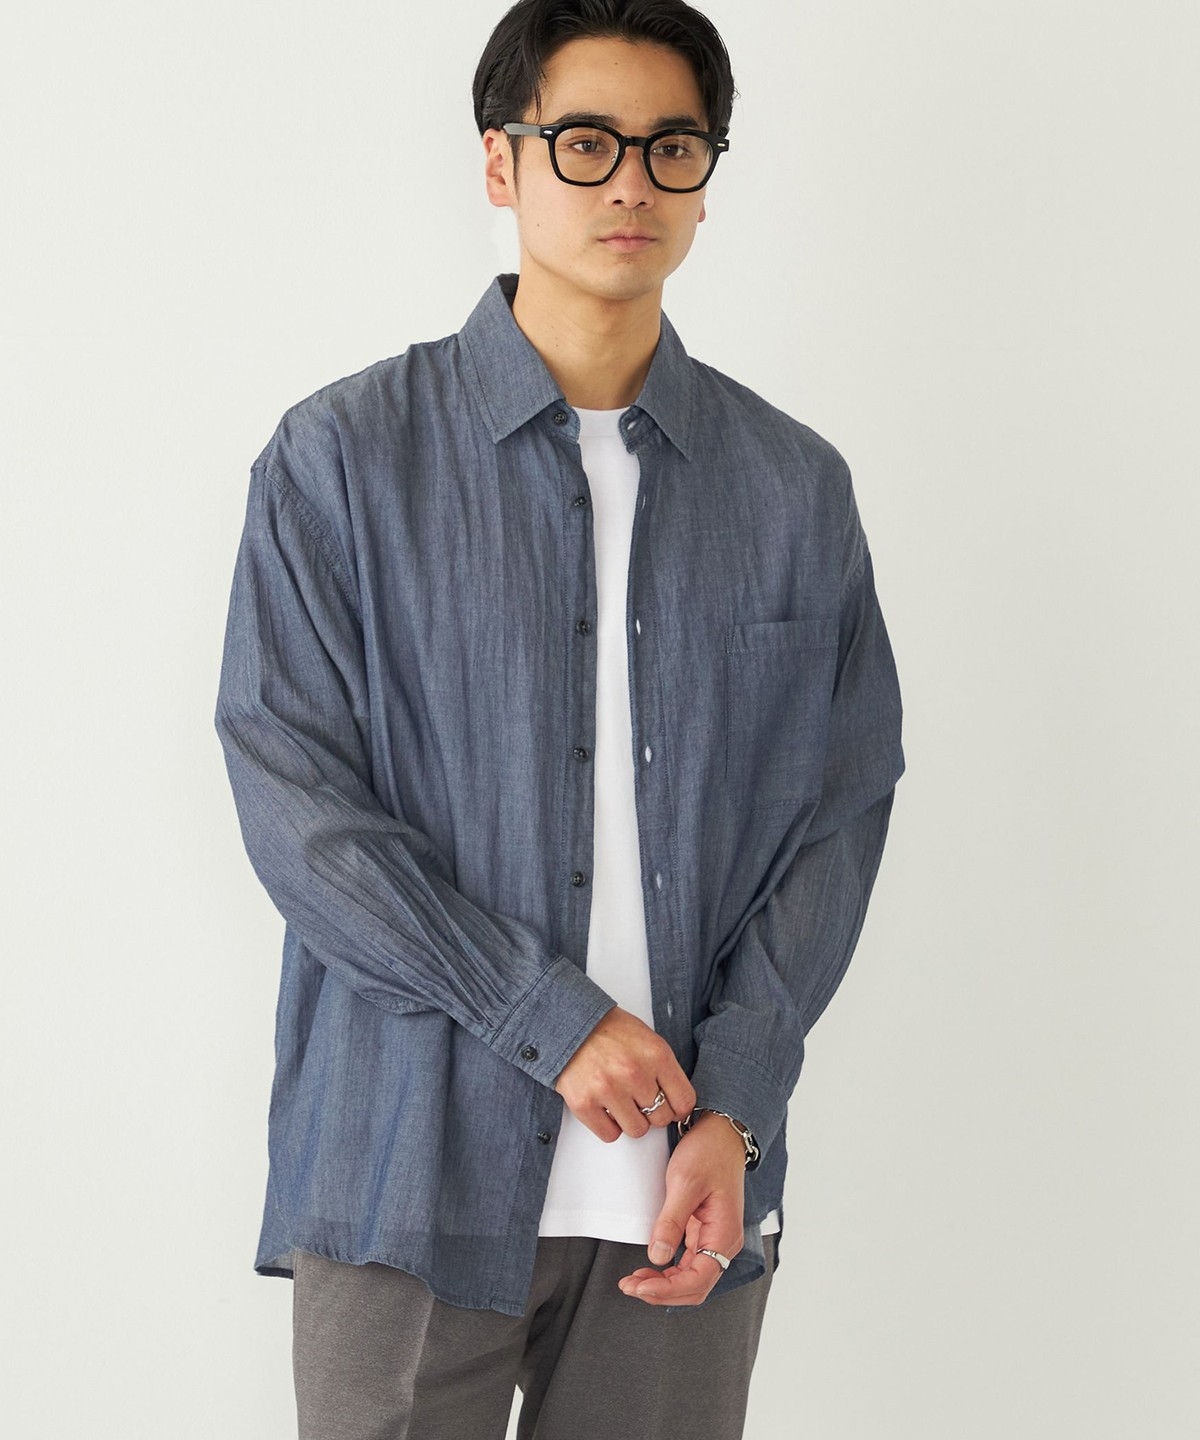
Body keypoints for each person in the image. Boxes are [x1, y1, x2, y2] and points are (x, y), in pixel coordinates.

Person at [215, 1, 904, 1435]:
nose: (630, 183)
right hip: (406, 1170)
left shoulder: (794, 492)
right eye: (585, 142)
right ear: (501, 162)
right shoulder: (342, 461)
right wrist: (551, 1019)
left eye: (671, 147)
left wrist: (741, 1102)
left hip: (685, 1186)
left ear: (707, 177)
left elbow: (837, 817)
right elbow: (298, 803)